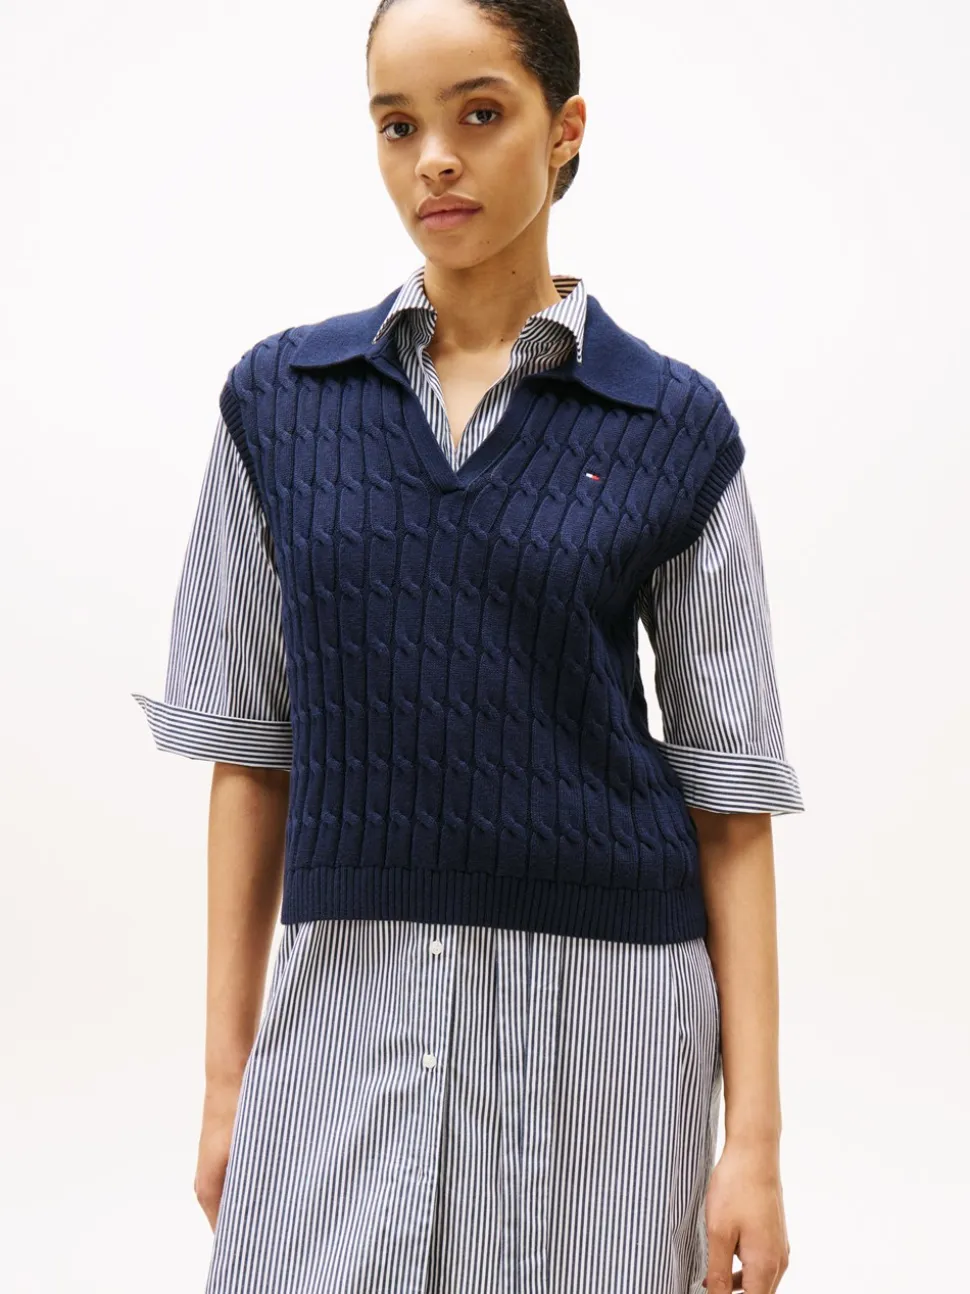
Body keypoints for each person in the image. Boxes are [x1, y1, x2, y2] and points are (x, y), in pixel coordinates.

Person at [132, 0, 804, 1290]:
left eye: (479, 114)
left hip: (605, 1039)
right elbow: (252, 757)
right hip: (344, 1017)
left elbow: (730, 805)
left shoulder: (672, 426)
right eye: (398, 126)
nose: (434, 158)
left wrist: (755, 1145)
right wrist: (226, 1086)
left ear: (565, 129)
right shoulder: (282, 404)